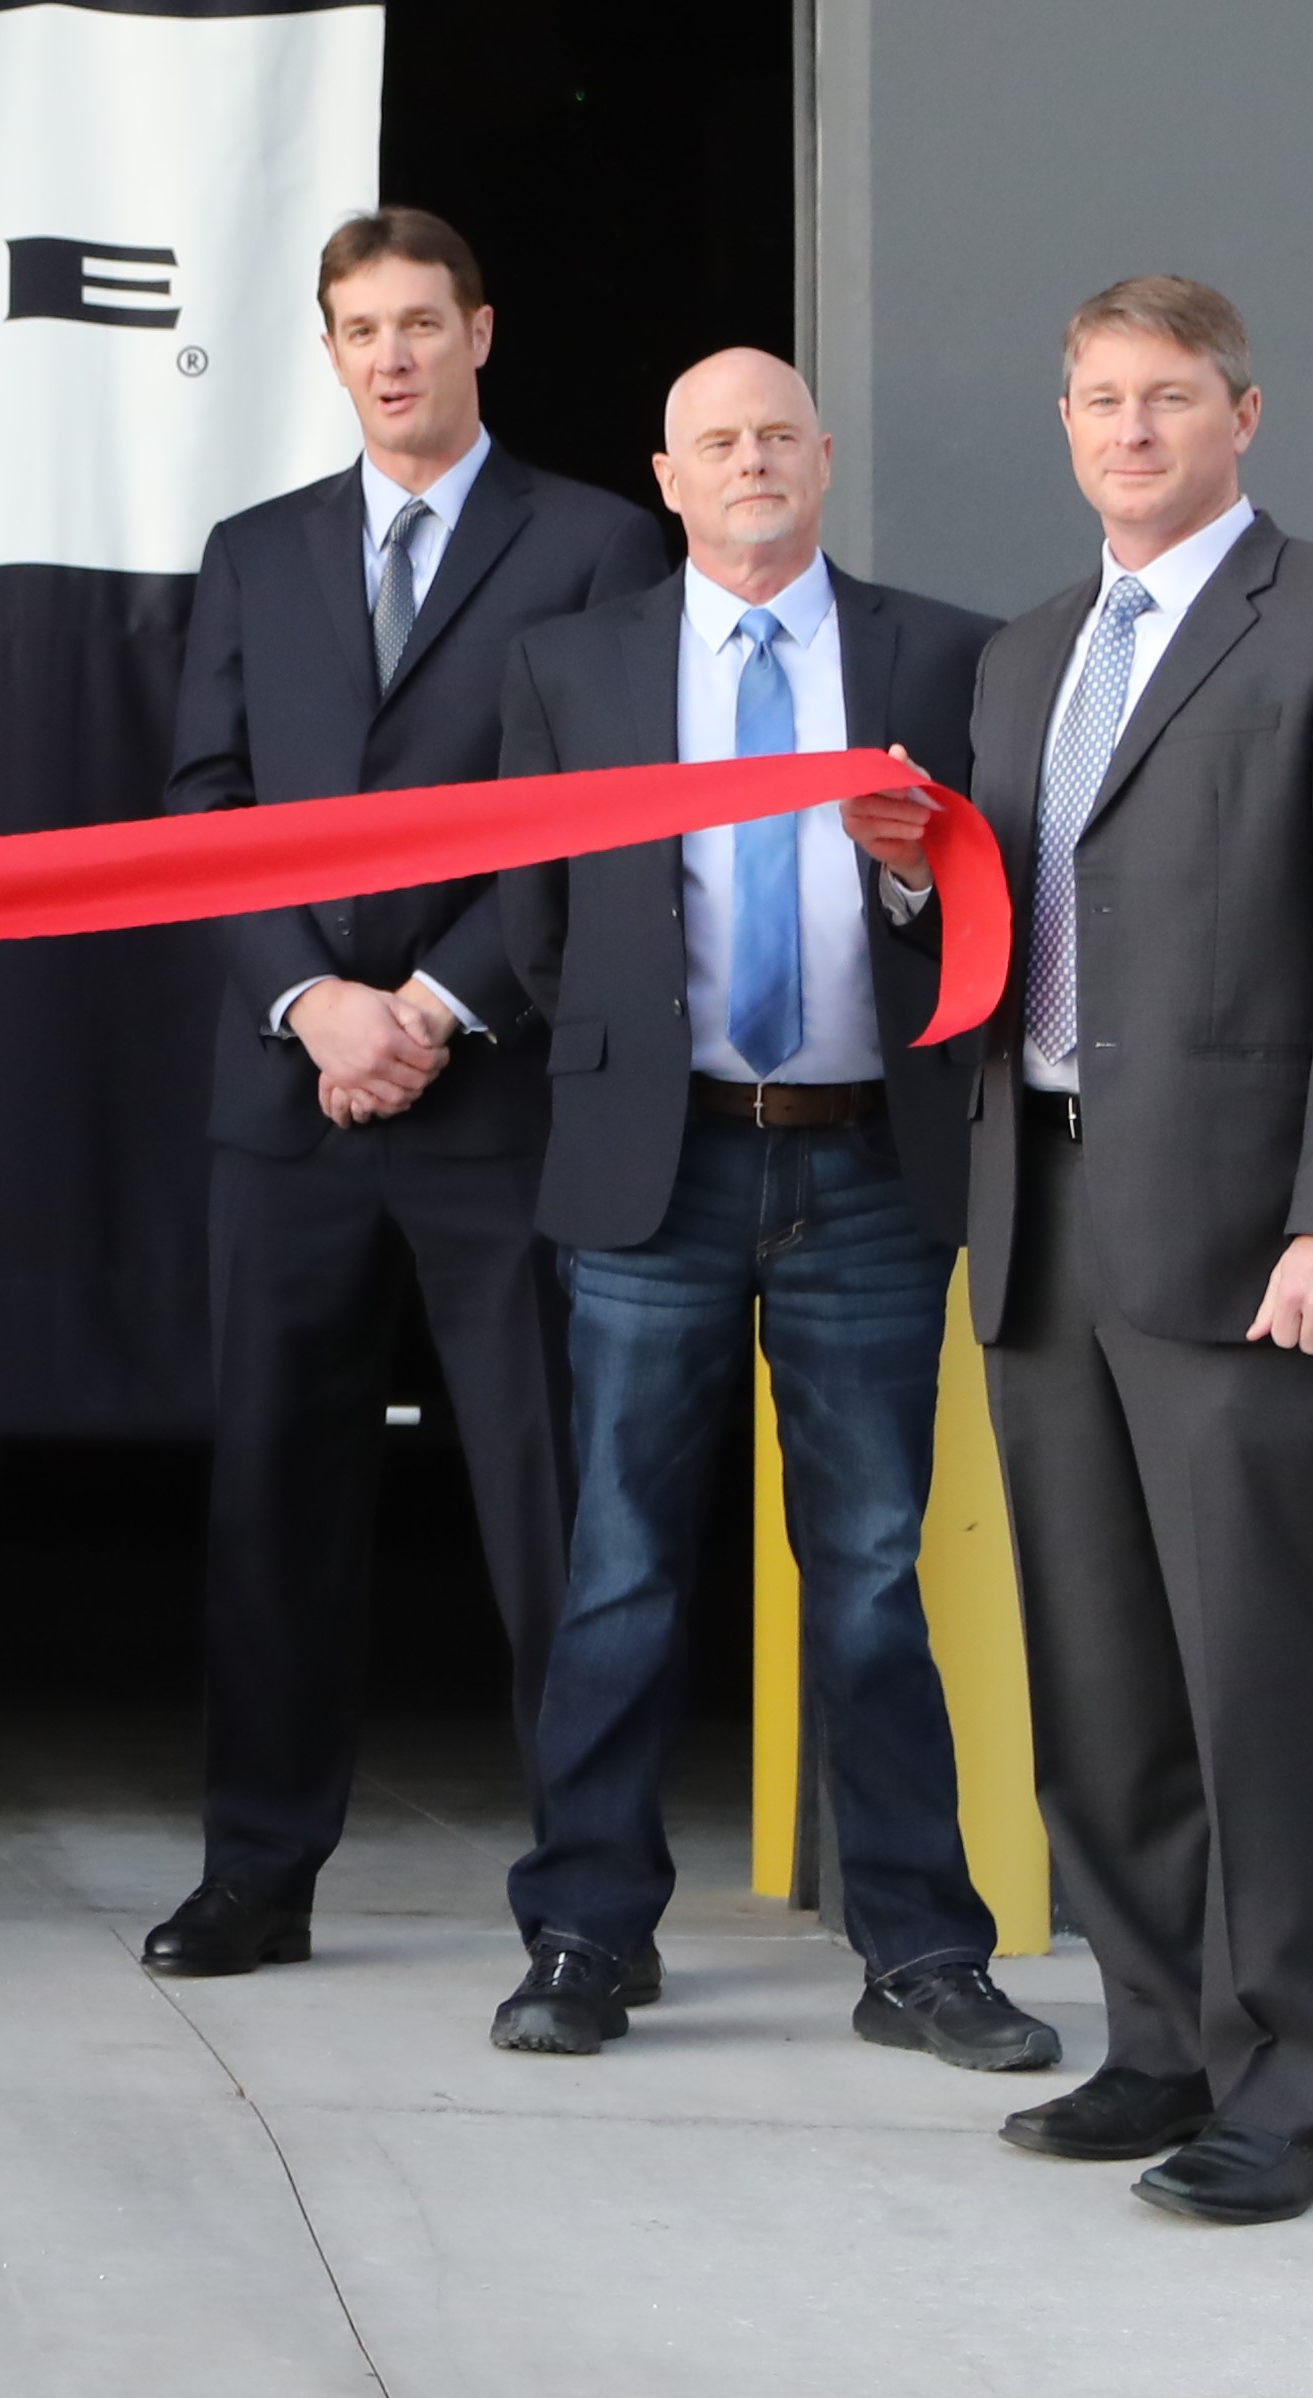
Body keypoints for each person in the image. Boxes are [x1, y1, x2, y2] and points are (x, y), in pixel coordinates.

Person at [481, 348, 1054, 2072]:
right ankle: (582, 1931)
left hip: (866, 1168)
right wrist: (629, 1068)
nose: (747, 460)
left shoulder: (942, 654)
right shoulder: (566, 663)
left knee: (872, 1570)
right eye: (714, 440)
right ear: (664, 475)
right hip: (649, 1166)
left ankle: (916, 1950)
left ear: (821, 458)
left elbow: (984, 903)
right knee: (616, 1569)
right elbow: (531, 924)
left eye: (774, 435)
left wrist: (901, 867)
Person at [957, 278, 1313, 2224]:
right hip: (1043, 1214)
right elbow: (1022, 945)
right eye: (1098, 399)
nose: (1130, 429)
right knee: (1099, 1669)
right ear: (1067, 425)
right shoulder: (1025, 659)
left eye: (1169, 397)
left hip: (1251, 1234)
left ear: (1245, 413)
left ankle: (1298, 2093)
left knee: (1257, 1671)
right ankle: (1159, 2036)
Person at [149, 206, 668, 1981]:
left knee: (550, 1506)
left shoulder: (595, 543)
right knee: (272, 1502)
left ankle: (589, 1898)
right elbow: (201, 804)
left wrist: (432, 1000)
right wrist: (310, 1001)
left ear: (480, 332)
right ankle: (254, 1872)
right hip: (287, 1098)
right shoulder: (253, 550)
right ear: (325, 348)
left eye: (419, 322)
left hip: (494, 1094)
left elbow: (604, 820)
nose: (388, 353)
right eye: (357, 325)